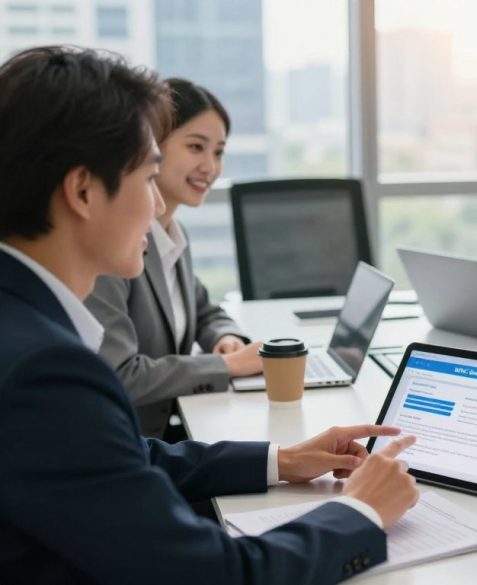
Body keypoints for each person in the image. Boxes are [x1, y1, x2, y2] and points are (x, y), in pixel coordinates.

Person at [0, 46, 418, 584]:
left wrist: (282, 460)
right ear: (83, 190)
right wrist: (360, 511)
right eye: (149, 177)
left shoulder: (24, 328)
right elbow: (218, 576)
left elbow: (122, 455)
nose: (156, 207)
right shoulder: (46, 371)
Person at [85, 78, 260, 439]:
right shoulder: (115, 248)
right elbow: (119, 373)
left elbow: (203, 309)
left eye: (219, 152)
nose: (210, 167)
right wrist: (224, 366)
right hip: (127, 444)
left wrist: (224, 337)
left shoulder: (174, 236)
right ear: (152, 146)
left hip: (164, 438)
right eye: (196, 147)